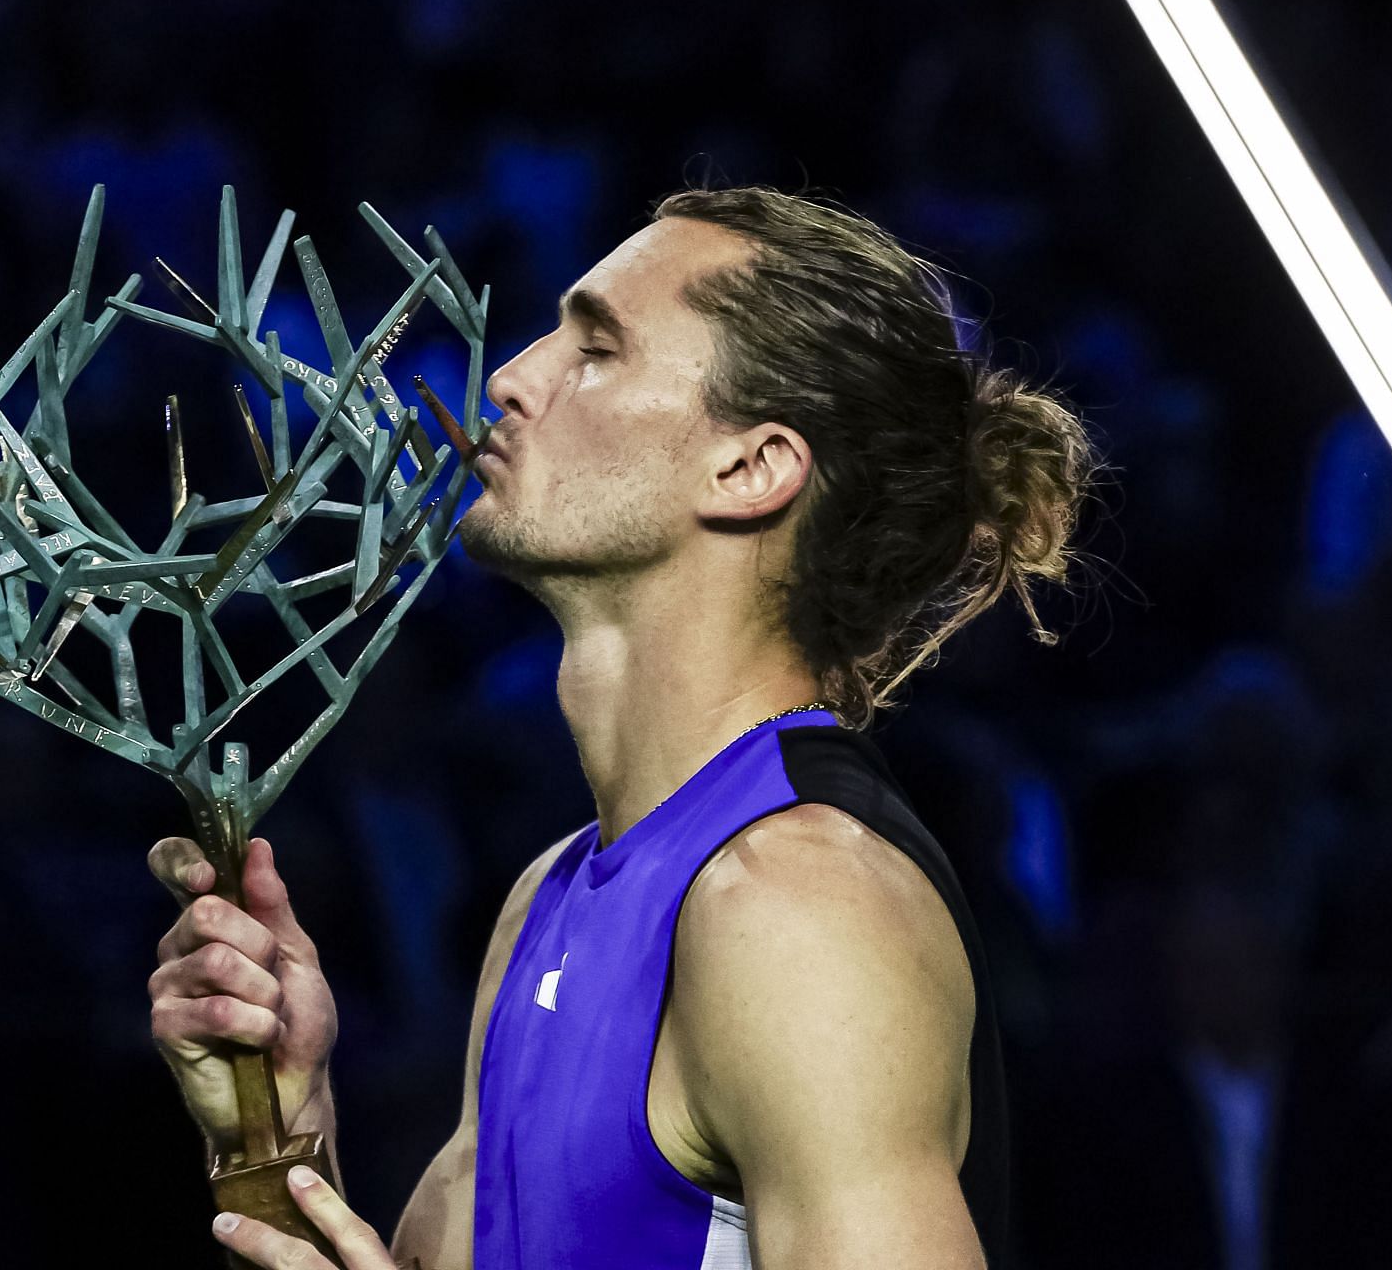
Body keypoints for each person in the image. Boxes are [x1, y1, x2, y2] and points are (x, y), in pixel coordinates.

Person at [148, 185, 1093, 1268]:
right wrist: (278, 1128)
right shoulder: (546, 896)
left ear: (750, 468)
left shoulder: (797, 906)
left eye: (595, 347)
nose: (510, 376)